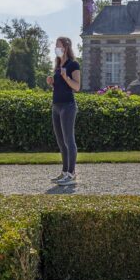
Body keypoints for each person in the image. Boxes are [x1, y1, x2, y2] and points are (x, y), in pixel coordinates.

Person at [46, 36, 81, 186]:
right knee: (61, 142)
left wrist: (66, 77)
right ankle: (65, 172)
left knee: (69, 141)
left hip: (68, 106)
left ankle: (71, 174)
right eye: (55, 45)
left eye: (58, 45)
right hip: (56, 106)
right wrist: (52, 83)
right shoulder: (58, 65)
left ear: (65, 47)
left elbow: (77, 87)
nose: (56, 48)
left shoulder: (73, 65)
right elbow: (60, 88)